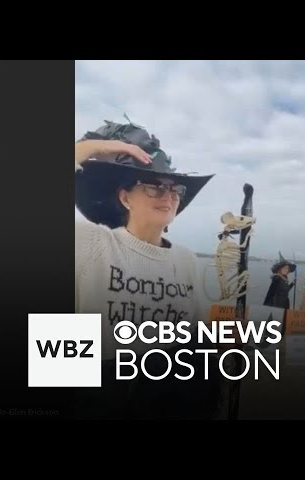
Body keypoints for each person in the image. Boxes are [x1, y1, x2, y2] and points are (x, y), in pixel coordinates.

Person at [74, 119, 226, 419]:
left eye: (174, 189)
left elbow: (197, 338)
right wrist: (95, 148)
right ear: (124, 196)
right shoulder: (92, 242)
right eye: (153, 187)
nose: (168, 196)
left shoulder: (186, 261)